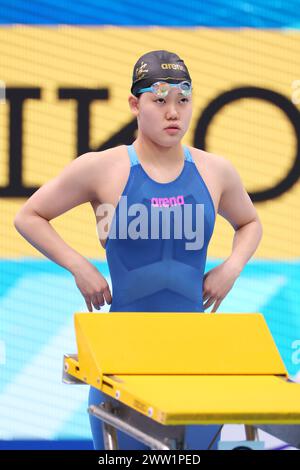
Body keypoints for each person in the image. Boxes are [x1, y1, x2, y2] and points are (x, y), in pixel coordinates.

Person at [14, 50, 263, 450]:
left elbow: (250, 223)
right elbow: (29, 216)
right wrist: (80, 266)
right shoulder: (102, 168)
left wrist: (231, 267)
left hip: (194, 360)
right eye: (159, 100)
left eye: (183, 100)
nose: (173, 113)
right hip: (124, 361)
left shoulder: (216, 171)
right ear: (135, 104)